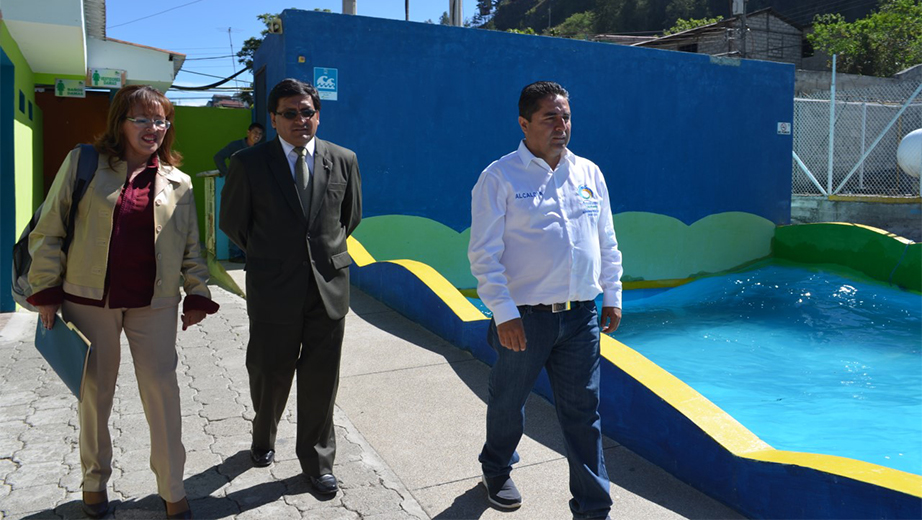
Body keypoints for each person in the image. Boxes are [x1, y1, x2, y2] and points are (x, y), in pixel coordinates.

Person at [28, 84, 219, 519]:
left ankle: (173, 491)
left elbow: (192, 247)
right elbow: (49, 229)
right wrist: (45, 292)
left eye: (161, 119)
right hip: (88, 301)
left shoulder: (179, 181)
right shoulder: (84, 163)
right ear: (120, 122)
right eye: (143, 119)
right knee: (95, 396)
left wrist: (198, 293)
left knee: (163, 393)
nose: (154, 128)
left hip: (154, 304)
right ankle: (94, 486)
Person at [467, 81, 623, 520]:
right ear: (524, 123)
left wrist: (612, 294)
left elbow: (606, 241)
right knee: (507, 400)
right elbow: (484, 254)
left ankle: (593, 508)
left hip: (581, 317)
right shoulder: (499, 176)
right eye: (550, 117)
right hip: (525, 319)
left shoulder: (589, 173)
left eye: (566, 116)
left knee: (583, 413)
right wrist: (504, 313)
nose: (561, 125)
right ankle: (496, 467)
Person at [219, 78, 362, 495]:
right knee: (269, 372)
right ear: (274, 118)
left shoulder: (344, 159)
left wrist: (318, 257)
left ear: (318, 114)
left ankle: (317, 462)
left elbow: (348, 218)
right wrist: (273, 257)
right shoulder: (249, 163)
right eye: (290, 113)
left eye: (307, 112)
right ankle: (263, 435)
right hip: (273, 288)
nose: (301, 120)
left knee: (321, 379)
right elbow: (234, 224)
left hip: (328, 288)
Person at [214, 123, 264, 263]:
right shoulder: (236, 146)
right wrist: (227, 174)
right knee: (236, 218)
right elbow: (218, 157)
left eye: (260, 134)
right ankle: (234, 254)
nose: (257, 136)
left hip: (256, 188)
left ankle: (247, 252)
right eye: (255, 133)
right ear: (248, 132)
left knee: (252, 219)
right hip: (238, 187)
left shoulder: (260, 149)